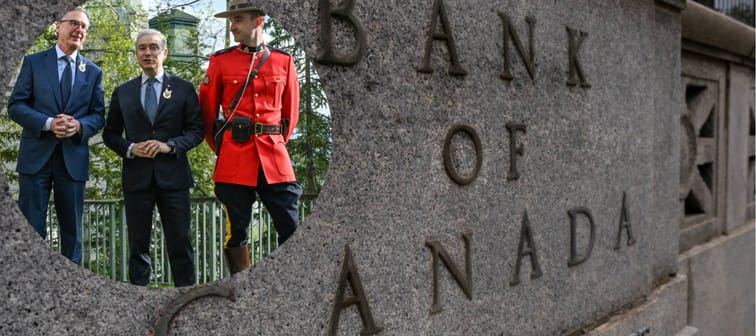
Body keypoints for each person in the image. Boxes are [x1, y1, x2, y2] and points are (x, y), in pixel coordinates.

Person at [200, 0, 301, 275]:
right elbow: (207, 116)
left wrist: (274, 142)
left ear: (258, 21)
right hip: (234, 159)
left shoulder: (284, 61)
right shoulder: (221, 62)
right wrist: (226, 148)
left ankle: (289, 282)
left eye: (239, 20)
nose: (232, 26)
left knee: (291, 227)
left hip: (275, 160)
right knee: (237, 234)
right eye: (231, 21)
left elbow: (290, 117)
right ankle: (240, 287)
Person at [102, 29, 203, 287]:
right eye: (142, 48)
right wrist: (130, 148)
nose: (148, 53)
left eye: (153, 48)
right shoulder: (123, 92)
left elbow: (196, 131)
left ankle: (187, 298)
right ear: (136, 54)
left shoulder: (183, 89)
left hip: (175, 180)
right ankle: (139, 300)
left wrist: (169, 145)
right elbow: (110, 134)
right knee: (138, 247)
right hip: (137, 180)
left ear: (164, 53)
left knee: (180, 244)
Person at [8, 8, 105, 265]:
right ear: (57, 27)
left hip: (73, 160)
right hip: (36, 158)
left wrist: (79, 126)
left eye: (84, 27)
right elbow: (15, 106)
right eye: (74, 23)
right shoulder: (33, 62)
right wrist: (49, 123)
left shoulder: (93, 72)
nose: (79, 30)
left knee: (72, 234)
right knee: (31, 229)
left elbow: (98, 115)